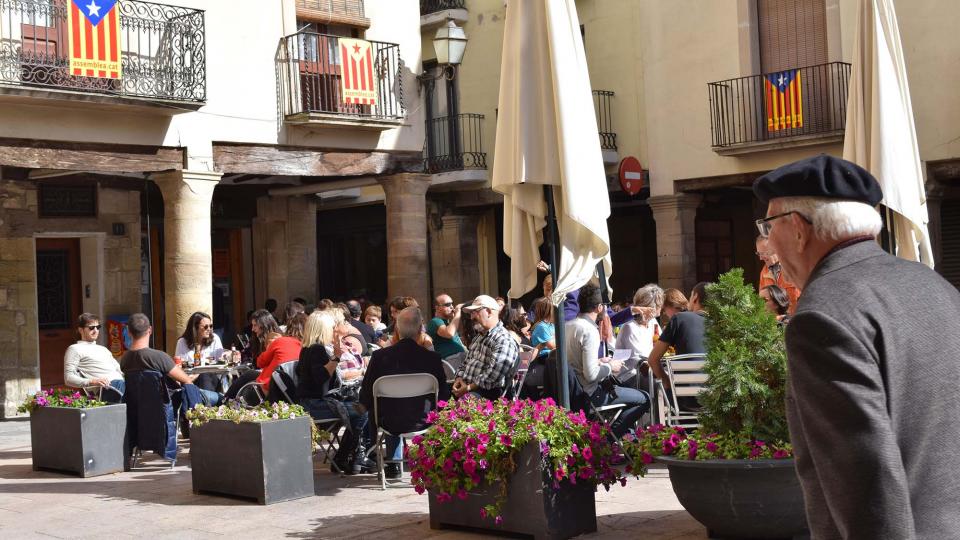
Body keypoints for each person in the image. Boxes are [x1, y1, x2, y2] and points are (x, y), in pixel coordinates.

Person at [753, 154, 960, 538]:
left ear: (797, 228)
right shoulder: (936, 286)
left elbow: (865, 476)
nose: (769, 244)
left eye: (768, 226)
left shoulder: (823, 314)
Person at [360, 307, 450, 479]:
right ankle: (427, 459)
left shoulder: (379, 357)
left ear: (398, 330)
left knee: (387, 405)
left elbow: (366, 394)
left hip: (388, 422)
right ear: (419, 329)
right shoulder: (432, 358)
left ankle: (393, 463)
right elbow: (444, 395)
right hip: (424, 421)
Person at [565, 283, 649, 438]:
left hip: (574, 392)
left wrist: (599, 361)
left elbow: (574, 362)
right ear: (599, 308)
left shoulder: (568, 326)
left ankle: (614, 438)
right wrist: (611, 366)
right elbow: (590, 375)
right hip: (589, 394)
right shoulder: (589, 331)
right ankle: (606, 441)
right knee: (645, 399)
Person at [296, 311, 369, 474]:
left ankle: (350, 456)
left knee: (361, 409)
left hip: (318, 401)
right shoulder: (316, 349)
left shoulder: (311, 348)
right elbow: (320, 378)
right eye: (332, 326)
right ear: (324, 329)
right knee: (362, 411)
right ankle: (346, 456)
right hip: (314, 404)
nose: (335, 329)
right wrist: (336, 357)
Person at [119, 313, 221, 406]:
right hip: (171, 401)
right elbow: (186, 380)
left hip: (141, 406)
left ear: (128, 332)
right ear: (150, 330)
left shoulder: (124, 360)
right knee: (221, 398)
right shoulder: (160, 357)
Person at [646, 282, 708, 402]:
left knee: (657, 391)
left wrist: (667, 383)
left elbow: (652, 360)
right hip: (717, 404)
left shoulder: (680, 318)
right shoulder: (723, 324)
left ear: (695, 297)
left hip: (686, 400)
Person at [452, 295, 519, 400]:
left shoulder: (504, 339)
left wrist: (468, 388)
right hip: (468, 389)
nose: (471, 317)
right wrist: (459, 378)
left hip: (488, 393)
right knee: (439, 399)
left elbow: (493, 377)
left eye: (475, 312)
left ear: (488, 312)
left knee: (462, 404)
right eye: (471, 313)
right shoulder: (479, 337)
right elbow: (466, 363)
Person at [63, 313, 124, 401]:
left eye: (98, 327)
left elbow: (119, 371)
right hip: (107, 388)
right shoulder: (74, 349)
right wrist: (91, 381)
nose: (95, 330)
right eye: (91, 328)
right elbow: (68, 378)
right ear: (81, 330)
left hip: (120, 385)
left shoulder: (103, 349)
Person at [615, 284, 664, 389]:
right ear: (651, 308)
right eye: (659, 304)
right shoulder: (629, 327)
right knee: (660, 384)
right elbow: (642, 364)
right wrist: (664, 377)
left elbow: (661, 344)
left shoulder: (652, 322)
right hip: (628, 376)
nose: (662, 307)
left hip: (647, 372)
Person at [756, 236, 801, 314]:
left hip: (796, 320)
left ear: (776, 249)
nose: (760, 258)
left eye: (764, 253)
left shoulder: (795, 267)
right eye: (759, 253)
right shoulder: (763, 273)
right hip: (775, 322)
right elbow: (761, 303)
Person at [426, 294, 466, 360]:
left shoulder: (448, 323)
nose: (452, 307)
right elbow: (449, 334)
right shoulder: (435, 321)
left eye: (452, 304)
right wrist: (458, 314)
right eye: (447, 304)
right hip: (451, 360)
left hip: (460, 358)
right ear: (437, 307)